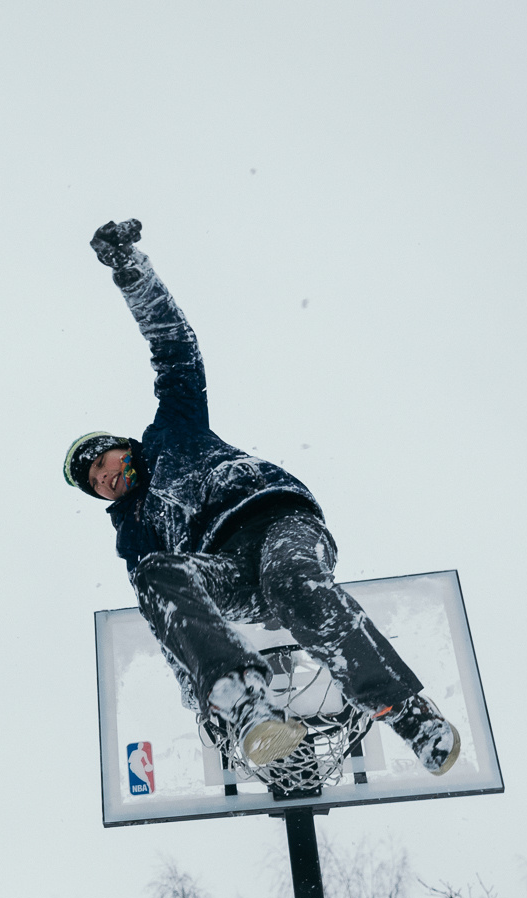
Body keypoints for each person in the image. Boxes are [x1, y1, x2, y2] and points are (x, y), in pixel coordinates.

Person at [66, 219, 461, 777]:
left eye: (100, 465)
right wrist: (197, 692)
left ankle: (408, 712)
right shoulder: (135, 530)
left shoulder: (172, 430)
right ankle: (243, 701)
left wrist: (132, 272)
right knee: (154, 573)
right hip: (226, 569)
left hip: (275, 520)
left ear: (117, 449)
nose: (103, 480)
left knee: (292, 585)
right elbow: (169, 615)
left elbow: (175, 349)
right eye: (94, 485)